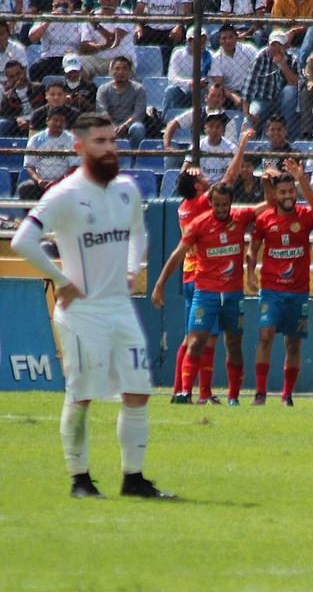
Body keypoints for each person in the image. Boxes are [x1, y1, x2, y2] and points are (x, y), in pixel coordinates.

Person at [11, 112, 175, 499]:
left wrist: (133, 269)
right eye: (99, 142)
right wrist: (61, 280)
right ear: (78, 146)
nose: (108, 149)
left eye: (112, 141)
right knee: (82, 395)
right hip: (82, 313)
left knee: (138, 392)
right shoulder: (64, 194)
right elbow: (22, 241)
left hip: (120, 308)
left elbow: (138, 231)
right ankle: (80, 480)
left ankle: (133, 479)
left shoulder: (127, 189)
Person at [151, 162, 267, 406]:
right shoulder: (199, 223)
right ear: (209, 202)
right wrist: (160, 283)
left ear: (231, 203)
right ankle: (185, 392)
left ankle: (231, 397)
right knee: (195, 341)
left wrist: (268, 185)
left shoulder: (239, 217)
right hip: (205, 292)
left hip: (233, 295)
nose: (222, 209)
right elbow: (177, 254)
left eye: (226, 205)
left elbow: (266, 206)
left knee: (233, 344)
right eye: (217, 205)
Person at [166, 131, 252, 403]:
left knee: (193, 337)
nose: (204, 176)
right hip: (203, 276)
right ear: (198, 187)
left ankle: (184, 389)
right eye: (200, 176)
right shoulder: (202, 204)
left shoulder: (184, 206)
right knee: (204, 339)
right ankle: (196, 392)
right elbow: (229, 178)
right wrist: (242, 146)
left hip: (191, 274)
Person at [247, 159, 313, 406]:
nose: (288, 196)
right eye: (283, 192)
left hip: (298, 291)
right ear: (275, 195)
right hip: (271, 289)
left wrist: (301, 179)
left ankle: (286, 395)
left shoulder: (303, 215)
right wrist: (250, 273)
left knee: (293, 343)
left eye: (291, 191)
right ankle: (260, 393)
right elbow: (253, 248)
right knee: (266, 334)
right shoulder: (264, 219)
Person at [242, 30, 302, 140]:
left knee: (290, 90)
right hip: (262, 99)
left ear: (285, 46)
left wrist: (282, 64)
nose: (276, 48)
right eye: (273, 44)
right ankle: (247, 146)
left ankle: (289, 138)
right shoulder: (261, 57)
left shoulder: (292, 59)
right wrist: (247, 113)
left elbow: (298, 83)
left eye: (279, 45)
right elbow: (249, 85)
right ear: (268, 45)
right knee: (250, 116)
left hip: (283, 102)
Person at [135, 0, 192, 68]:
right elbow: (138, 11)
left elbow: (187, 12)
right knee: (137, 36)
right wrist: (138, 27)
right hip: (151, 27)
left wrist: (179, 27)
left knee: (181, 34)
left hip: (172, 28)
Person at [18, 107, 80, 200]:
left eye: (62, 121)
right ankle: (32, 214)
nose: (58, 123)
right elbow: (29, 165)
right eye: (55, 120)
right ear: (47, 121)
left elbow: (74, 166)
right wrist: (39, 180)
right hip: (41, 182)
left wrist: (59, 181)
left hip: (64, 182)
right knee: (25, 188)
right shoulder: (36, 139)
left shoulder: (71, 139)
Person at [78, 0, 136, 78]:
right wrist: (103, 46)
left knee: (119, 65)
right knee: (79, 62)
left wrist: (97, 25)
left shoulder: (125, 13)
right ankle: (86, 90)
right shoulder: (92, 16)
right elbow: (84, 47)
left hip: (121, 60)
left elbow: (114, 40)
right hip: (99, 60)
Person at [27, 0, 81, 81]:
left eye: (64, 5)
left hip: (72, 57)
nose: (61, 8)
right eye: (57, 6)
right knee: (35, 69)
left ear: (71, 5)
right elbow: (33, 38)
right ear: (52, 6)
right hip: (51, 57)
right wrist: (49, 20)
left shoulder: (79, 19)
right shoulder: (45, 18)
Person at [94, 56, 148, 149]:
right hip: (109, 123)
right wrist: (113, 126)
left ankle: (135, 157)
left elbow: (139, 113)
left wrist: (125, 125)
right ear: (111, 71)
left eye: (124, 69)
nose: (120, 72)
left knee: (138, 128)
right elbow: (102, 111)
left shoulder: (139, 89)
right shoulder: (103, 89)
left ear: (130, 72)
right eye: (117, 69)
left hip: (130, 124)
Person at [209, 23, 260, 111]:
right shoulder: (216, 58)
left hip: (251, 90)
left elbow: (259, 69)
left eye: (230, 37)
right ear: (219, 41)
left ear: (236, 37)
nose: (227, 41)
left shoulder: (249, 49)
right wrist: (234, 97)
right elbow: (219, 85)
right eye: (224, 38)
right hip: (229, 94)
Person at [163, 26, 213, 114]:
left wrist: (205, 82)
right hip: (183, 90)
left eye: (203, 41)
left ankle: (203, 117)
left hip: (201, 91)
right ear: (189, 41)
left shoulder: (209, 55)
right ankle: (164, 120)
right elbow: (172, 78)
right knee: (170, 90)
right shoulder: (178, 54)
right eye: (198, 41)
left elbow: (213, 77)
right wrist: (189, 83)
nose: (202, 44)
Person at [181, 111, 238, 183]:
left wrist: (217, 187)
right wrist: (202, 181)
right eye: (211, 126)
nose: (214, 130)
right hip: (201, 184)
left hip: (221, 187)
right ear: (205, 129)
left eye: (218, 127)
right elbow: (186, 166)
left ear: (223, 130)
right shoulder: (198, 145)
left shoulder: (231, 147)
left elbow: (230, 173)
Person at [0, 60, 46, 138]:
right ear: (7, 78)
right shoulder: (8, 96)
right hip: (19, 126)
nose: (16, 78)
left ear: (24, 71)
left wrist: (31, 121)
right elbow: (6, 115)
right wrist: (17, 119)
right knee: (3, 123)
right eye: (12, 76)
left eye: (18, 74)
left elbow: (48, 108)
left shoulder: (39, 88)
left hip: (40, 122)